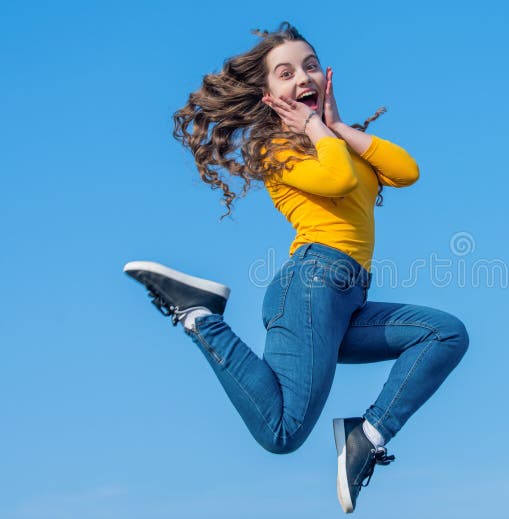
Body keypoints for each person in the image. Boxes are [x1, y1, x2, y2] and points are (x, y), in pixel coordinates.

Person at [123, 22, 469, 514]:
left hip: (347, 298)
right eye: (285, 73)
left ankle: (366, 435)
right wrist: (313, 129)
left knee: (445, 335)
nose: (303, 77)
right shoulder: (274, 148)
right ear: (268, 96)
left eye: (310, 66)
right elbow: (335, 179)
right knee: (281, 433)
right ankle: (200, 316)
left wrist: (338, 125)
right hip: (312, 285)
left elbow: (406, 172)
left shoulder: (334, 140)